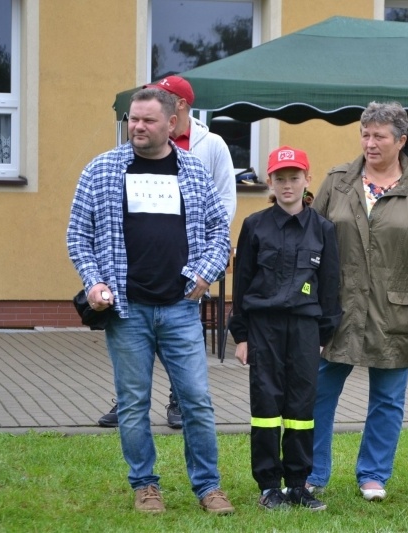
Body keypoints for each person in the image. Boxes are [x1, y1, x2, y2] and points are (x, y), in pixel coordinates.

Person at [67, 87, 234, 514]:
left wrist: (204, 273)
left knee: (196, 399)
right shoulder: (101, 170)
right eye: (133, 120)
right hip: (127, 310)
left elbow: (220, 233)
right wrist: (93, 283)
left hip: (180, 308)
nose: (138, 127)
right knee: (133, 401)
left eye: (147, 120)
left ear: (171, 124)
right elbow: (78, 236)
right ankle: (145, 486)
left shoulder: (194, 172)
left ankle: (208, 487)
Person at [305, 101, 408, 502]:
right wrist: (307, 305)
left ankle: (373, 474)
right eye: (365, 135)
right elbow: (308, 242)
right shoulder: (336, 182)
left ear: (401, 141)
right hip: (337, 309)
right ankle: (312, 472)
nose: (370, 143)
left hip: (395, 310)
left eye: (379, 136)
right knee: (318, 392)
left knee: (387, 399)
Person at [97, 75, 237, 429]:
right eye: (135, 117)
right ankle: (127, 400)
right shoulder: (131, 148)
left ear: (179, 110)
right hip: (134, 288)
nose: (140, 123)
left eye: (160, 103)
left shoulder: (210, 147)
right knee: (133, 386)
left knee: (192, 384)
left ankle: (177, 399)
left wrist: (207, 265)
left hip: (185, 279)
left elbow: (222, 208)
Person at [228, 146, 341, 512]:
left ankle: (298, 484)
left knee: (301, 407)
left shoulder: (323, 229)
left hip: (306, 329)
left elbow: (330, 285)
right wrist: (241, 335)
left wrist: (324, 335)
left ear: (307, 179)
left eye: (295, 177)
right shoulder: (255, 226)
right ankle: (268, 486)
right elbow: (242, 282)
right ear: (270, 182)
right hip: (264, 328)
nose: (288, 185)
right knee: (266, 405)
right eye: (280, 178)